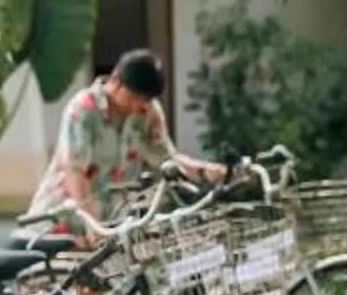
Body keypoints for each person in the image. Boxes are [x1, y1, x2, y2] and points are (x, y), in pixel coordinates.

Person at [25, 48, 222, 238]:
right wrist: (92, 226)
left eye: (147, 99)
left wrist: (211, 172)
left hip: (111, 225)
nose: (141, 106)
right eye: (135, 97)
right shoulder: (84, 110)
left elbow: (167, 160)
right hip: (64, 223)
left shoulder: (147, 112)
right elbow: (75, 171)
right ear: (116, 81)